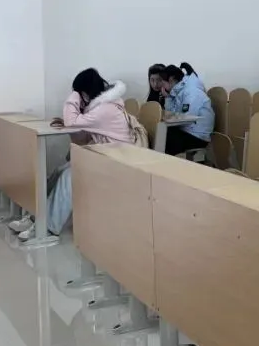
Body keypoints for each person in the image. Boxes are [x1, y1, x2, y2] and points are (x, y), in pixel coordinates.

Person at [13, 69, 143, 239]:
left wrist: (73, 98)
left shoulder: (105, 109)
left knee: (69, 177)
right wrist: (72, 125)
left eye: (78, 94)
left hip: (118, 162)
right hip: (105, 157)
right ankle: (36, 217)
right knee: (59, 171)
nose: (78, 99)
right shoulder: (99, 107)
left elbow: (72, 122)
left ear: (85, 93)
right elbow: (81, 138)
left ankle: (47, 228)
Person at [160, 64, 214, 154]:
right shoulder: (178, 91)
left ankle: (162, 161)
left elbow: (186, 117)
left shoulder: (191, 92)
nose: (162, 87)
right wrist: (168, 97)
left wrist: (167, 118)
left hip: (197, 135)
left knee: (162, 137)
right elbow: (172, 113)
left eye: (163, 83)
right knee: (159, 132)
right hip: (186, 130)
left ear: (171, 79)